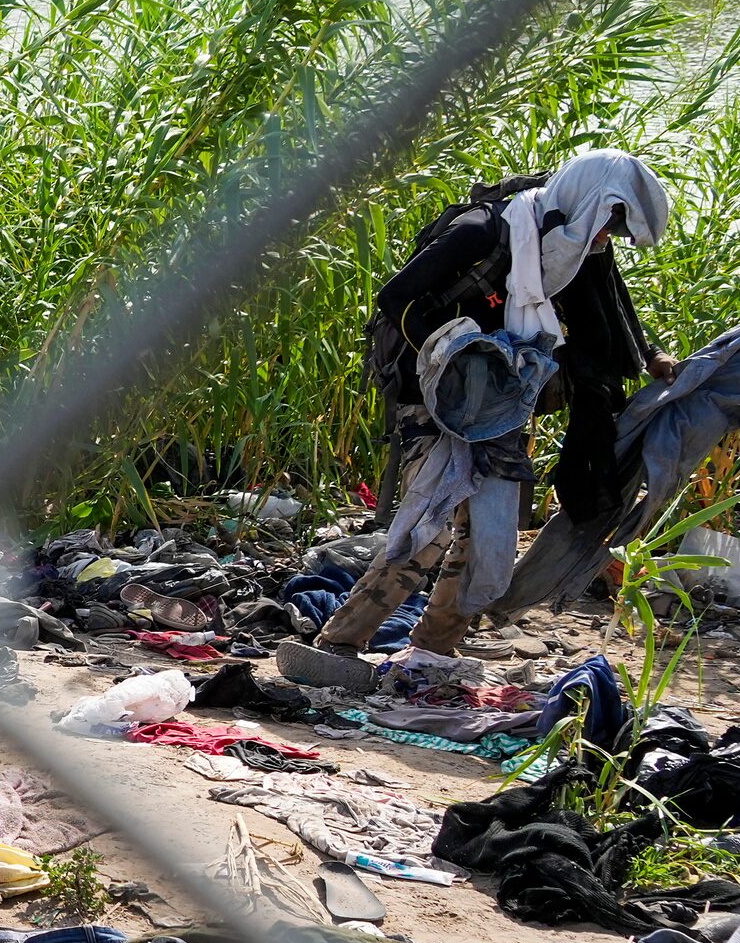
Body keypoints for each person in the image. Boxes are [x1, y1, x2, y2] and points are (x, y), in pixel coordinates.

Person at [284, 151, 679, 681]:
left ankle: (433, 651)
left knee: (487, 529)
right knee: (435, 520)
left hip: (498, 399)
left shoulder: (573, 246)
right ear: (588, 202)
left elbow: (610, 305)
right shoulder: (484, 232)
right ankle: (339, 644)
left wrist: (650, 356)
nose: (610, 238)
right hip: (430, 391)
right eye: (611, 224)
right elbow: (396, 296)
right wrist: (449, 352)